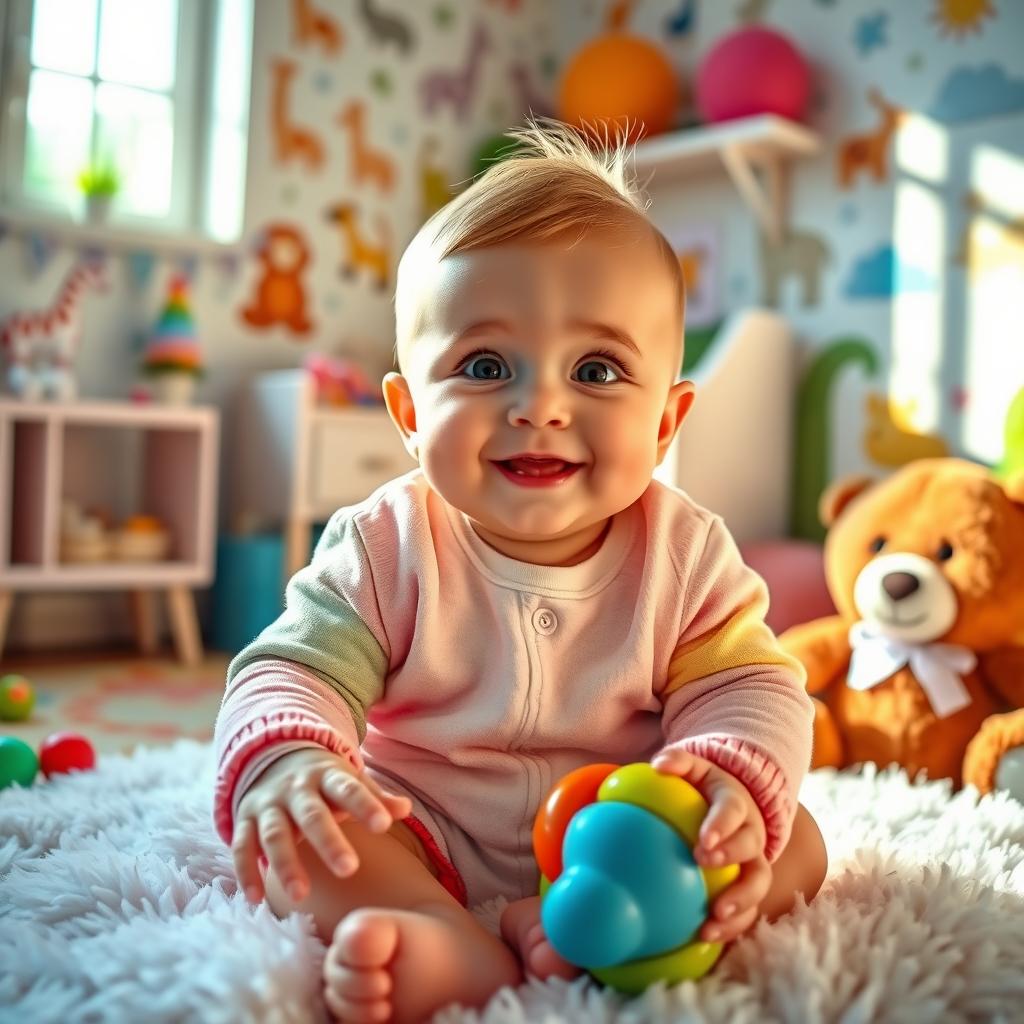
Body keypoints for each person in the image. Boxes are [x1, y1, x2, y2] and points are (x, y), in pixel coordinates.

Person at [213, 119, 827, 1023]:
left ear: (666, 422)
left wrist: (720, 776)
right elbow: (290, 667)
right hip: (422, 828)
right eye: (487, 364)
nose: (539, 405)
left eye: (596, 369)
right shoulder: (384, 540)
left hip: (629, 830)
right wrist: (289, 757)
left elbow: (751, 684)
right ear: (410, 411)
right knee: (308, 838)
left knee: (796, 839)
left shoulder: (687, 550)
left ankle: (657, 921)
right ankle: (438, 932)